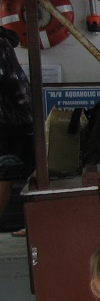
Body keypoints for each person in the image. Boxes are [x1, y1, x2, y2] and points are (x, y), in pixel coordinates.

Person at [0, 26, 34, 233]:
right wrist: (29, 117)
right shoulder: (2, 45)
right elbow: (18, 85)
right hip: (6, 125)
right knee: (4, 175)